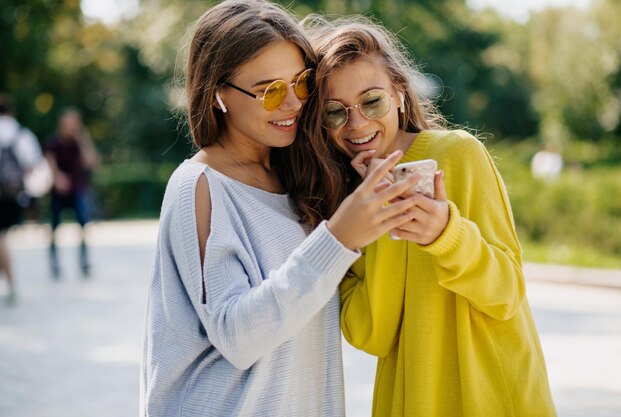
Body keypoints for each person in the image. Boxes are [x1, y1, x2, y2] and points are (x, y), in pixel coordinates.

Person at [139, 2, 425, 416]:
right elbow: (238, 336)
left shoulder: (298, 178)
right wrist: (339, 237)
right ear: (219, 94)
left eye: (302, 83)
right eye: (270, 91)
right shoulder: (198, 187)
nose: (293, 103)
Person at [306, 18, 557, 416]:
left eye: (372, 101)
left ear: (400, 95)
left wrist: (447, 234)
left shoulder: (458, 154)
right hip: (412, 401)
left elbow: (507, 292)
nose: (356, 124)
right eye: (334, 112)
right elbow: (372, 334)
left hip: (491, 395)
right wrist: (377, 206)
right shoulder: (340, 203)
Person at [45, 108, 100, 278]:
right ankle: (54, 263)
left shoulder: (80, 142)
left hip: (78, 189)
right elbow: (50, 164)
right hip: (58, 191)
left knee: (83, 225)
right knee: (55, 227)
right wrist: (58, 178)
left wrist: (84, 141)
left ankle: (84, 262)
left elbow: (92, 164)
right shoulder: (53, 142)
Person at [0, 93, 44, 305]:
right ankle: (10, 282)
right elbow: (33, 164)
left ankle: (10, 282)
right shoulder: (20, 133)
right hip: (11, 195)